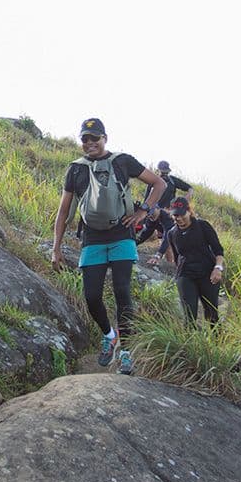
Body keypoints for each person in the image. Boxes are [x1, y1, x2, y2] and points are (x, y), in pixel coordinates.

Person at [53, 118, 166, 375]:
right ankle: (109, 335)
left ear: (105, 138)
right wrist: (55, 248)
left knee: (122, 291)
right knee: (91, 296)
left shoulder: (123, 161)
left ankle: (126, 353)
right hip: (92, 238)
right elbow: (63, 211)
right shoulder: (76, 169)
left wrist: (143, 211)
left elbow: (159, 184)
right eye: (85, 139)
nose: (90, 143)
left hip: (122, 235)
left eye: (95, 138)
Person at [149, 197, 225, 328]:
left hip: (207, 273)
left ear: (189, 211)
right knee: (189, 316)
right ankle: (188, 340)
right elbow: (177, 257)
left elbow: (218, 250)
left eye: (181, 214)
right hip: (186, 275)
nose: (179, 218)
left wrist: (217, 268)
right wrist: (179, 274)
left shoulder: (203, 226)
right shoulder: (172, 233)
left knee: (212, 314)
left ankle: (217, 338)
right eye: (175, 215)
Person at [143, 161, 192, 263]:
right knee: (163, 238)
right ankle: (167, 264)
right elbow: (147, 200)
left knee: (168, 239)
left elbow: (190, 188)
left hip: (168, 214)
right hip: (155, 213)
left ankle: (169, 264)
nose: (164, 174)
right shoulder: (153, 182)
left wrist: (184, 201)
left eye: (166, 172)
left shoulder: (172, 181)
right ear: (158, 171)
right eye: (162, 172)